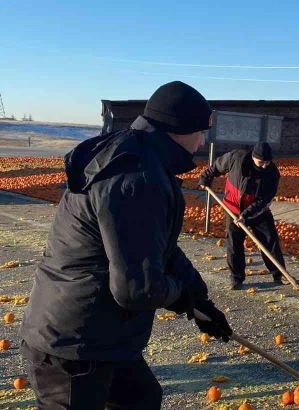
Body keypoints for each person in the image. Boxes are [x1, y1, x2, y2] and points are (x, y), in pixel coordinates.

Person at [19, 81, 233, 409]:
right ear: (177, 130)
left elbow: (158, 246)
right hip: (74, 344)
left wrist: (197, 298)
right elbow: (136, 288)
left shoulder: (141, 160)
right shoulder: (135, 178)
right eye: (200, 131)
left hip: (103, 337)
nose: (203, 140)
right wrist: (181, 297)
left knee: (141, 399)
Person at [198, 141, 286, 290]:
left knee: (269, 240)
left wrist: (245, 216)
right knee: (234, 244)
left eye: (268, 162)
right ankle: (236, 278)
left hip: (258, 211)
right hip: (233, 209)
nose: (265, 165)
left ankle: (279, 274)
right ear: (253, 157)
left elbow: (263, 200)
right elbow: (216, 167)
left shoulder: (272, 174)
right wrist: (205, 178)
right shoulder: (236, 158)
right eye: (261, 162)